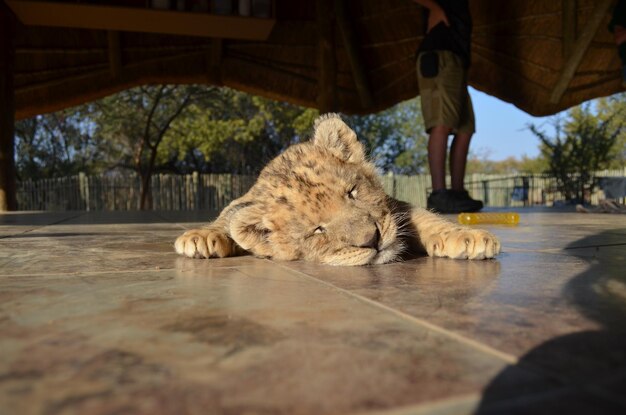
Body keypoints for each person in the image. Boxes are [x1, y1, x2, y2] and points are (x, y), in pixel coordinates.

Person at [413, 0, 483, 213]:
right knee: (441, 124)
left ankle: (457, 192)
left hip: (456, 60)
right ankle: (439, 194)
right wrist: (435, 9)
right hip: (438, 54)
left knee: (465, 128)